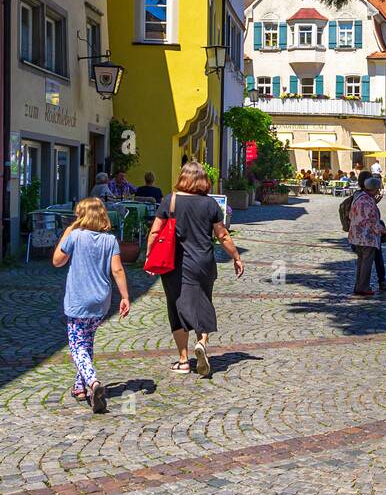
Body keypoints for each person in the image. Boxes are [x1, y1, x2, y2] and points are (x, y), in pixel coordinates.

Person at [146, 162, 244, 377]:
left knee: (176, 307)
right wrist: (236, 257)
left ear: (182, 177)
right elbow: (223, 235)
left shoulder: (169, 201)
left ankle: (183, 360)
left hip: (174, 264)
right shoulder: (210, 205)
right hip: (203, 263)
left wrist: (149, 257)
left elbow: (155, 233)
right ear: (202, 180)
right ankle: (202, 342)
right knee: (202, 302)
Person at [52, 197, 130, 413]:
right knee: (87, 342)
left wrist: (67, 232)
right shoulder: (110, 240)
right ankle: (79, 387)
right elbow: (117, 270)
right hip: (101, 300)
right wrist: (124, 296)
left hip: (78, 300)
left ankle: (93, 382)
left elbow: (57, 261)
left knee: (77, 346)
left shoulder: (75, 236)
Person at [348, 174, 386, 296]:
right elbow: (373, 222)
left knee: (360, 262)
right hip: (367, 238)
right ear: (374, 189)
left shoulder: (358, 198)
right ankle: (363, 287)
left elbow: (351, 216)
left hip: (356, 236)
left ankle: (358, 286)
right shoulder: (369, 202)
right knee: (366, 263)